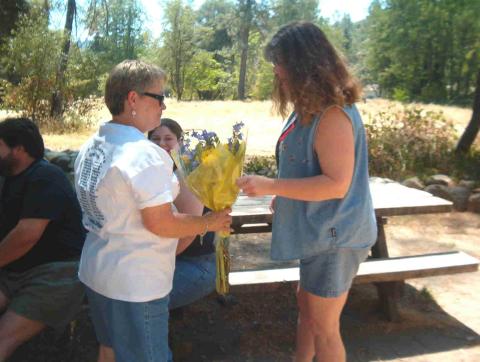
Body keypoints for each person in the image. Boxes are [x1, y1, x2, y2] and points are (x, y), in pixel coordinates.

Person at [236, 22, 377, 362]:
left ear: (303, 64)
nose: (276, 70)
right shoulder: (306, 109)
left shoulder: (332, 115)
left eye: (281, 61)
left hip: (336, 237)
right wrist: (284, 195)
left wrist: (272, 186)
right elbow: (306, 168)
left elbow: (336, 184)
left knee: (325, 329)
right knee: (307, 308)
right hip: (319, 233)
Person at [74, 60, 231, 362]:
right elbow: (161, 223)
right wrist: (209, 222)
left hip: (97, 271)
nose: (163, 105)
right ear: (133, 99)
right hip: (136, 283)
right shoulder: (144, 154)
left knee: (109, 350)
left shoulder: (91, 145)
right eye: (159, 97)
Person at [0, 117, 86, 360]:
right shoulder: (10, 178)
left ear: (19, 149)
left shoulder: (46, 177)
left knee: (2, 338)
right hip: (16, 272)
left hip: (56, 275)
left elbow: (26, 235)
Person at [149, 119, 216, 310]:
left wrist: (152, 263)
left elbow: (188, 234)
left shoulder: (186, 175)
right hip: (172, 260)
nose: (162, 144)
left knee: (143, 300)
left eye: (168, 138)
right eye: (155, 139)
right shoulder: (153, 174)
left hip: (196, 264)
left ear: (180, 142)